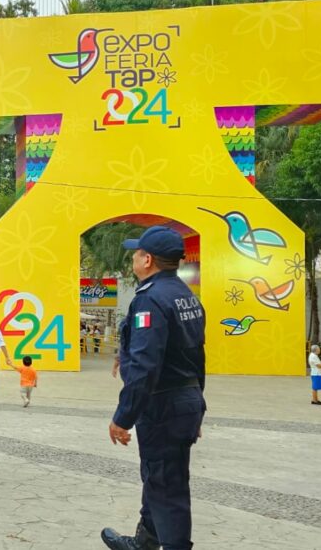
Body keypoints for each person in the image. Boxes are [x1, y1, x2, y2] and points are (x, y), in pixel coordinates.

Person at [101, 226, 206, 550]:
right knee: (160, 478)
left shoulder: (150, 299)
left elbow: (146, 367)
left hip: (163, 404)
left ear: (148, 260)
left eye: (136, 253)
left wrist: (123, 416)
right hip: (183, 401)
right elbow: (197, 354)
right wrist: (195, 405)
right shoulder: (186, 296)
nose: (132, 257)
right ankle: (144, 542)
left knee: (167, 488)